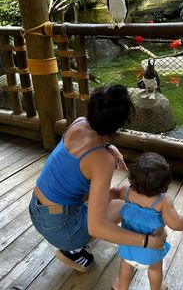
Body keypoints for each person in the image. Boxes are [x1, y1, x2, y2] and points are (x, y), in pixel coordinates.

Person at [29, 85, 166, 273]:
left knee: (107, 195)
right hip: (61, 229)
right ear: (119, 125)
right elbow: (96, 228)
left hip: (36, 210)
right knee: (123, 203)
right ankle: (73, 251)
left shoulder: (78, 123)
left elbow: (92, 142)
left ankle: (72, 241)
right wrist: (148, 241)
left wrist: (110, 147)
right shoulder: (102, 160)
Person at [110, 152, 183, 290]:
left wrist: (107, 195)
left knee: (125, 265)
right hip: (151, 252)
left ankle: (122, 288)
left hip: (128, 246)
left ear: (132, 177)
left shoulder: (127, 191)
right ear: (165, 183)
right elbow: (175, 223)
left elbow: (114, 192)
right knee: (155, 270)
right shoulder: (163, 202)